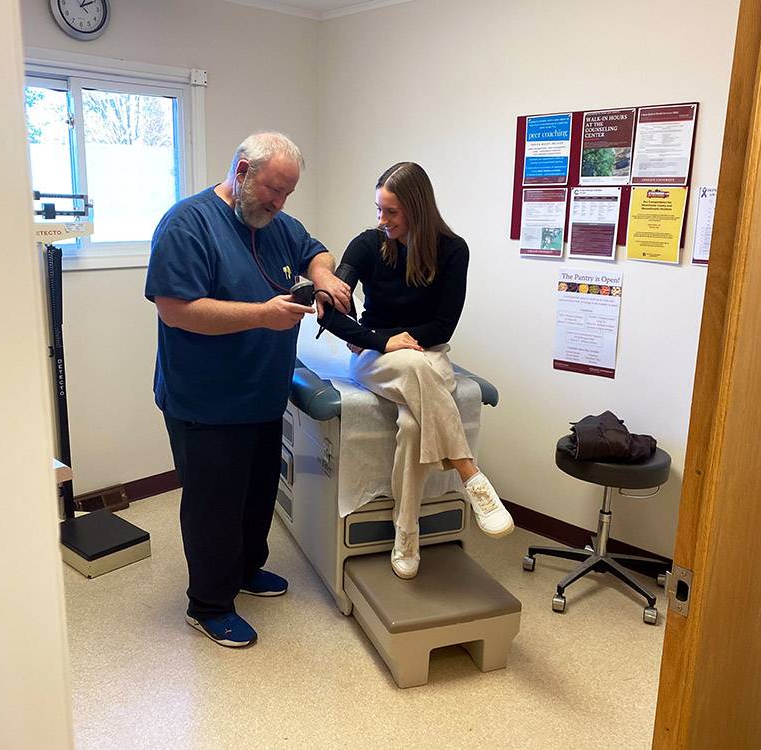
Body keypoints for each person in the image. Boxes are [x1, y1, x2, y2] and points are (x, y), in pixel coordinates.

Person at [145, 132, 351, 647]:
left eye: (287, 194)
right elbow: (176, 309)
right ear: (240, 172)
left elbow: (315, 251)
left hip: (263, 394)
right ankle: (208, 604)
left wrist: (323, 277)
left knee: (258, 495)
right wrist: (263, 315)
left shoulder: (279, 225)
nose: (278, 204)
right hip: (206, 400)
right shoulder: (186, 224)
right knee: (214, 506)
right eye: (270, 191)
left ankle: (244, 570)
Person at [318, 162, 514, 579]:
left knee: (412, 425)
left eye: (391, 212)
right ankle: (470, 474)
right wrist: (381, 340)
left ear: (417, 210)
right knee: (408, 361)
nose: (381, 221)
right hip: (375, 358)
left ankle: (405, 533)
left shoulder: (453, 250)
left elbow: (443, 326)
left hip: (431, 354)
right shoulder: (366, 245)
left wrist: (389, 335)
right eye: (378, 210)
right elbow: (331, 316)